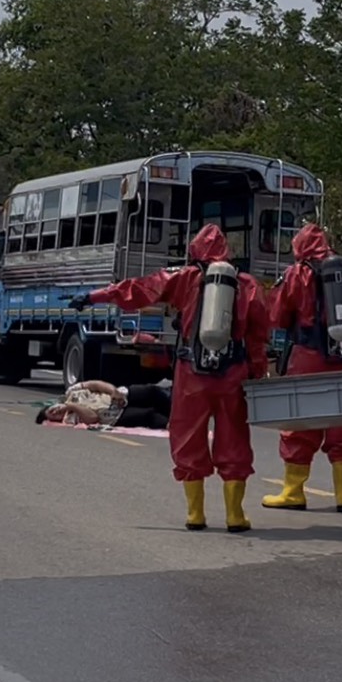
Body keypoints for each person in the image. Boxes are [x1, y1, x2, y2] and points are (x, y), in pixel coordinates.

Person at [70, 223, 272, 533]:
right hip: (233, 375)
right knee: (233, 442)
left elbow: (138, 289)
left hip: (192, 374)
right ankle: (234, 515)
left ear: (195, 252)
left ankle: (195, 514)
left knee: (188, 437)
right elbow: (259, 336)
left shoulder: (185, 279)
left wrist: (94, 296)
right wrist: (256, 372)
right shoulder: (248, 285)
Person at [260, 222, 342, 513]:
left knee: (300, 423)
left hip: (307, 356)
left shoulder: (297, 274)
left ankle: (293, 492)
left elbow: (277, 314)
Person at [35, 379, 173, 430]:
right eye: (52, 416)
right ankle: (172, 424)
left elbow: (95, 384)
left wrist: (113, 391)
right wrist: (70, 407)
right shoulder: (70, 419)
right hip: (115, 415)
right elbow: (93, 418)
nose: (55, 413)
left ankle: (179, 410)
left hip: (116, 397)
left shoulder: (71, 392)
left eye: (52, 410)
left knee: (151, 391)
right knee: (148, 415)